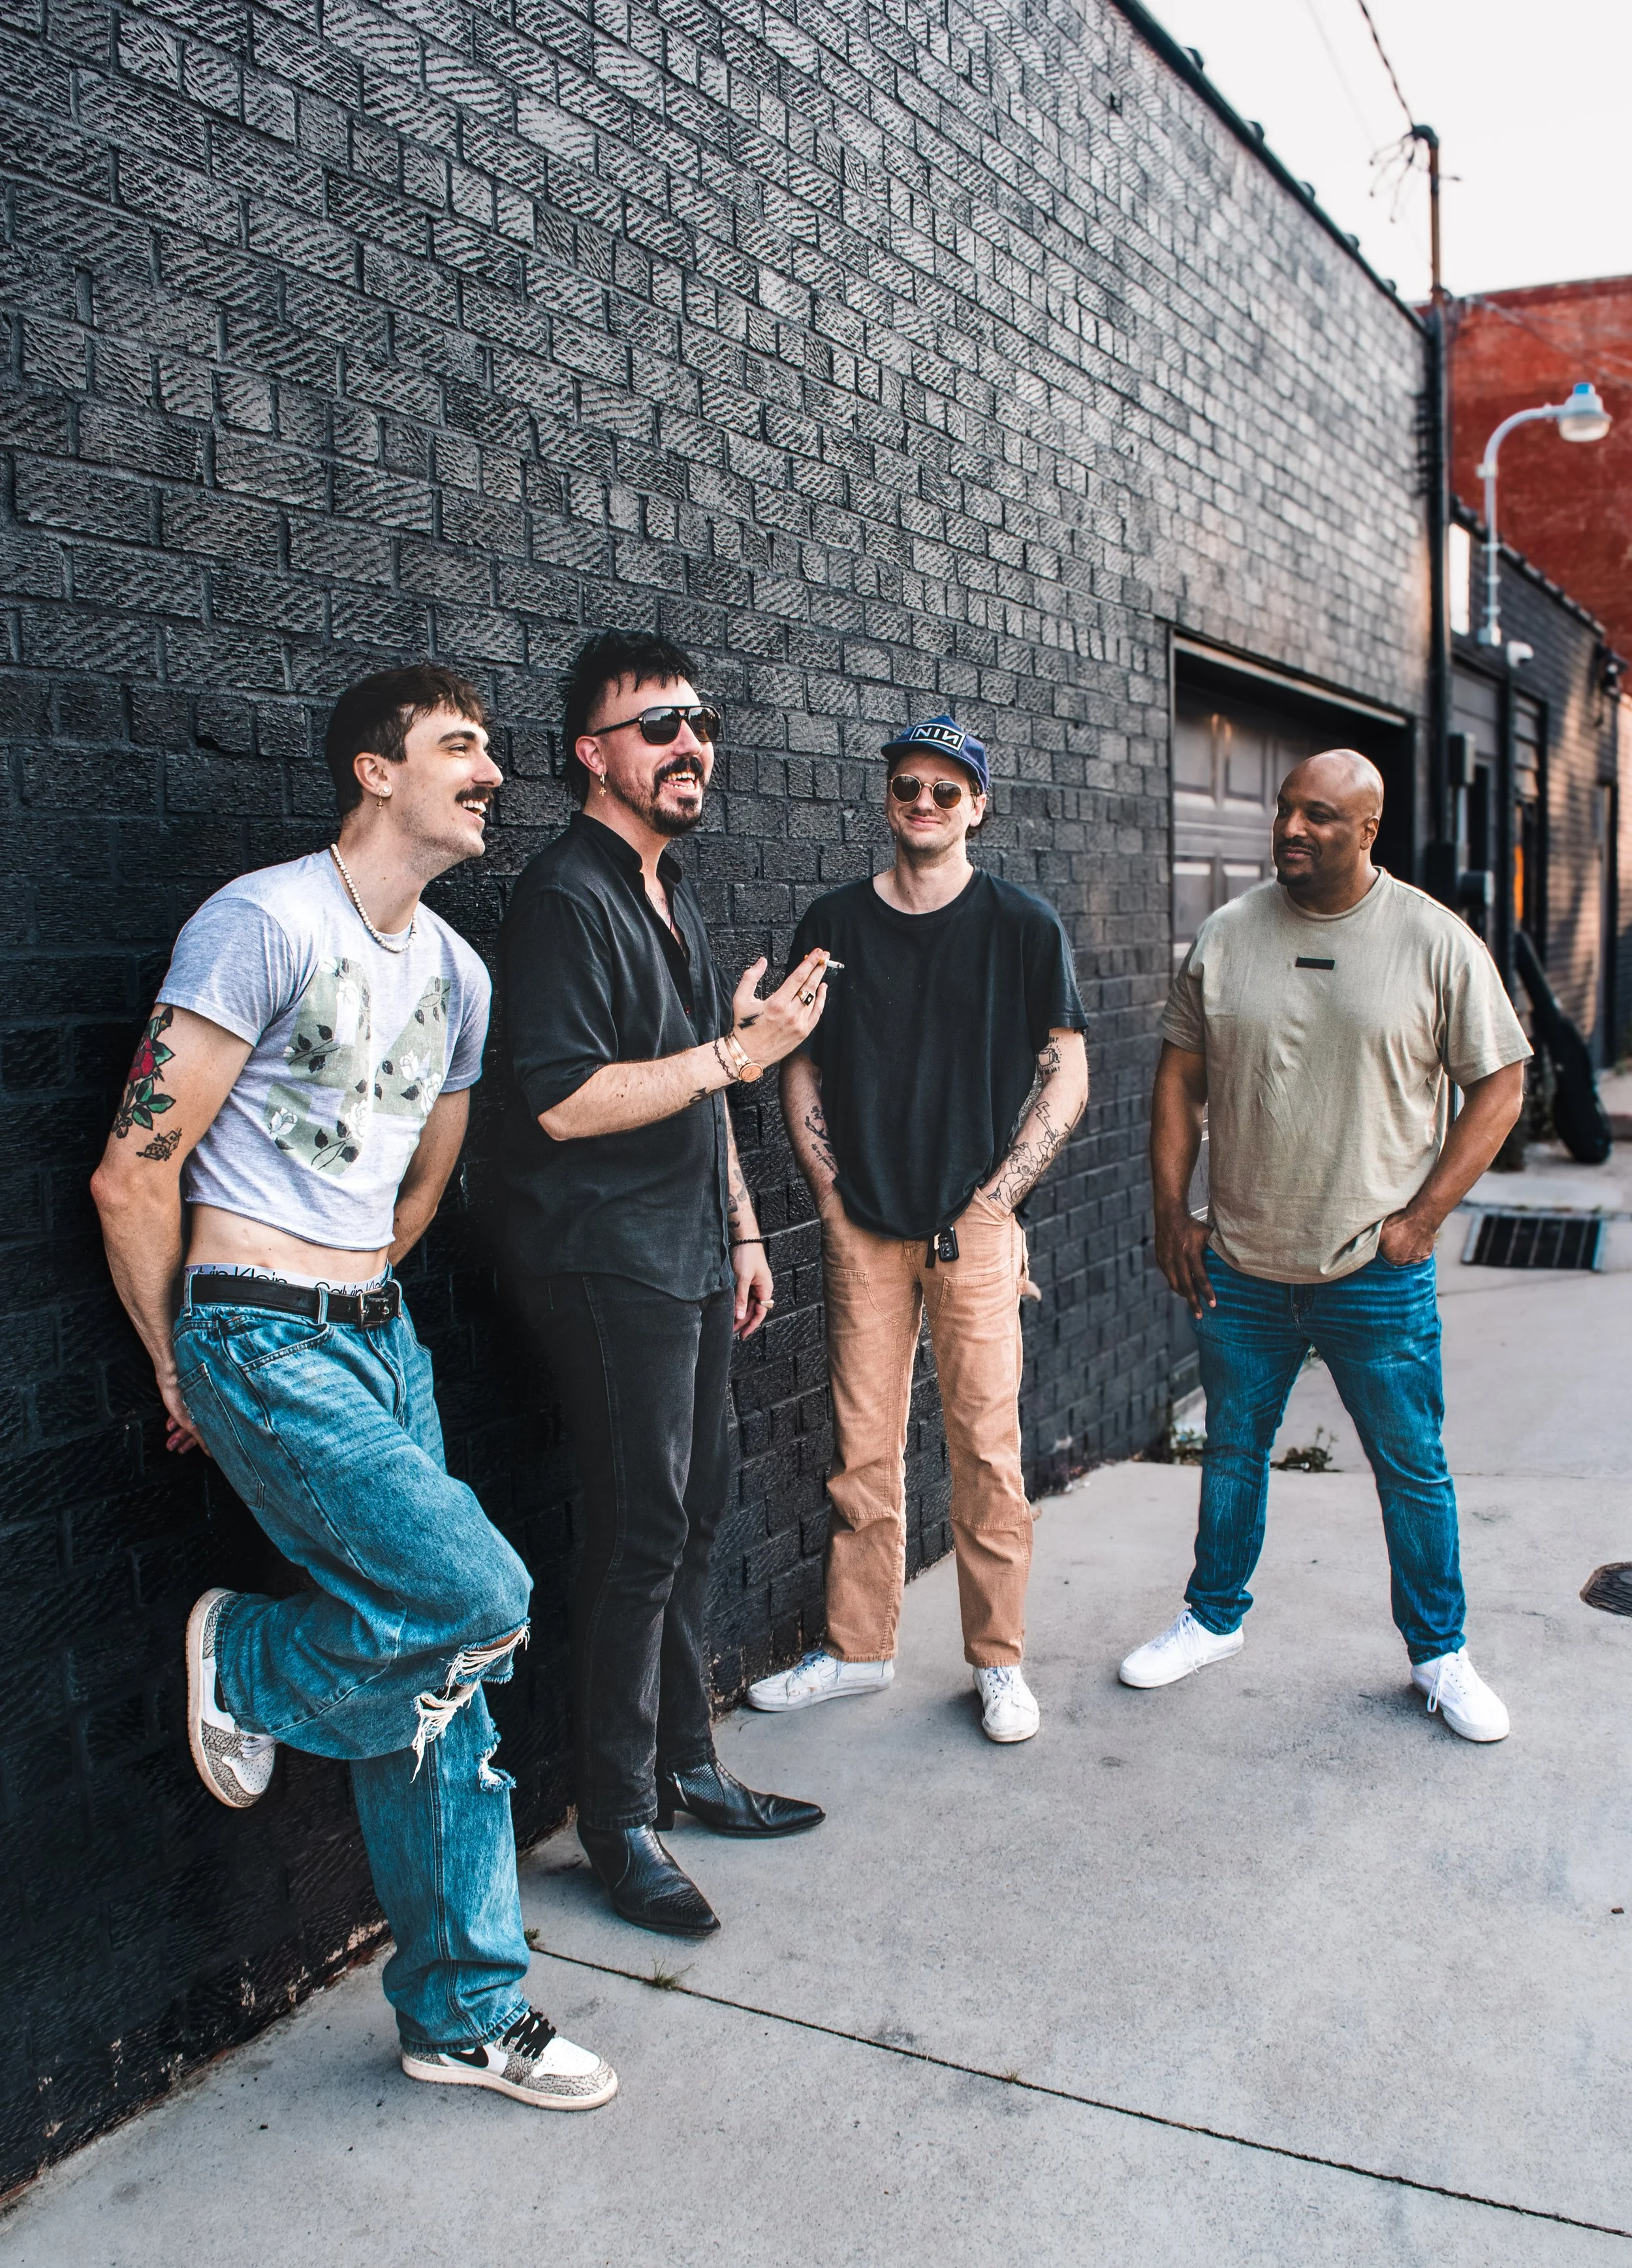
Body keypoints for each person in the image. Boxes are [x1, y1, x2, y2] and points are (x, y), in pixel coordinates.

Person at [90, 665, 617, 2113]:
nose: (493, 771)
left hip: (377, 1340)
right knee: (481, 1601)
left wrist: (358, 1284)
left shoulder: (458, 973)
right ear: (375, 771)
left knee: (442, 1693)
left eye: (495, 750)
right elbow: (132, 1169)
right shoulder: (263, 923)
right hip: (256, 1333)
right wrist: (177, 1354)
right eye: (462, 746)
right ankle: (251, 1663)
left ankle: (462, 2013)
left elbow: (424, 1174)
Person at [499, 630, 829, 1941]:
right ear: (592, 754)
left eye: (699, 722)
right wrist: (742, 1056)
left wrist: (743, 1232)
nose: (691, 743)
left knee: (695, 1522)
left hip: (689, 1254)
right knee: (637, 1534)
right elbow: (568, 1101)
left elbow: (701, 1080)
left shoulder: (670, 890)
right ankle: (614, 1816)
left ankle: (688, 1771)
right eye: (657, 726)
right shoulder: (564, 898)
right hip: (602, 1264)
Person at [1121, 749, 1529, 1742]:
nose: (1291, 829)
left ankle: (1440, 1654)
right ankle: (1213, 1617)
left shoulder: (1434, 941)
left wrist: (1425, 1214)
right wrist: (1175, 1212)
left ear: (1366, 830)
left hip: (1373, 1273)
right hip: (1246, 1262)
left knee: (1412, 1466)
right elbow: (1178, 1078)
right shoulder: (1227, 934)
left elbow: (1502, 1083)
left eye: (1318, 815)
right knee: (1233, 1451)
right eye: (1284, 810)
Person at [746, 715, 1089, 1743]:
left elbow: (1067, 1065)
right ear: (888, 799)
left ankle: (998, 1662)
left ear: (978, 805)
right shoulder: (835, 923)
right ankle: (859, 1649)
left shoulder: (1022, 925)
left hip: (972, 1227)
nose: (926, 806)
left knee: (987, 1449)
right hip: (864, 1223)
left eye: (947, 792)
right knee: (863, 1450)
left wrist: (1000, 1197)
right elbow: (797, 1054)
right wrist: (827, 1185)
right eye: (909, 789)